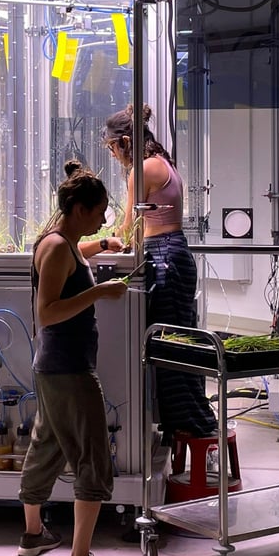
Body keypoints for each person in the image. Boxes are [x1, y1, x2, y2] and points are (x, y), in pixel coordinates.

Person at [17, 160, 128, 556]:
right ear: (80, 209)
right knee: (92, 459)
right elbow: (46, 312)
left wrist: (103, 244)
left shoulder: (60, 242)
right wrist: (99, 292)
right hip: (69, 370)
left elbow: (72, 255)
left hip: (54, 367)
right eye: (99, 214)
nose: (102, 221)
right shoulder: (55, 247)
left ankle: (33, 535)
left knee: (47, 446)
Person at [103, 104, 218, 439]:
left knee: (170, 345)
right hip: (175, 252)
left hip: (164, 255)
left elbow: (129, 230)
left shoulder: (142, 170)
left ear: (125, 141)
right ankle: (191, 419)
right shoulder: (162, 162)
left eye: (112, 147)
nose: (112, 154)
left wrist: (100, 243)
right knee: (180, 340)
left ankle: (189, 423)